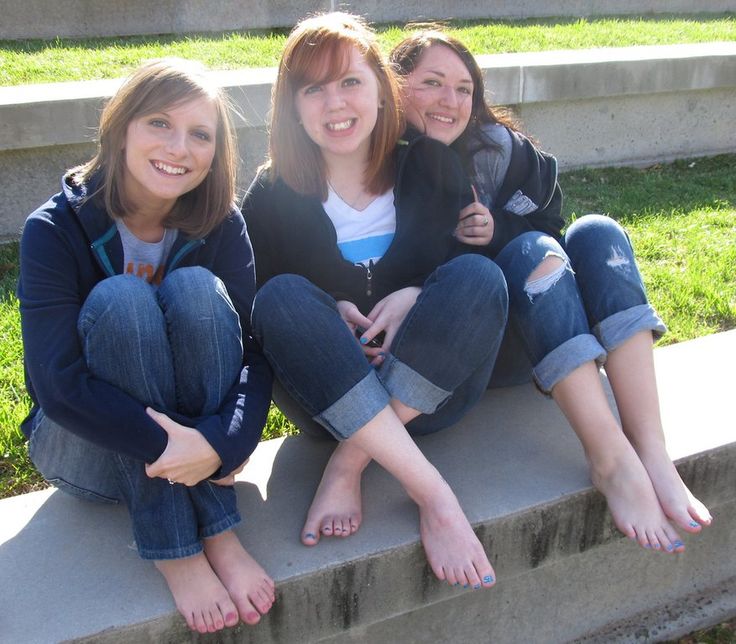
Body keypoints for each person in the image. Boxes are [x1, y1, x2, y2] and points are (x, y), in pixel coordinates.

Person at [390, 30, 712, 553]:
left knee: (597, 231)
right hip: (468, 353)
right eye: (432, 83)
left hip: (539, 334)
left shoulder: (503, 152)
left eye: (464, 88)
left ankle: (651, 452)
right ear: (396, 86)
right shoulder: (383, 161)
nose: (451, 101)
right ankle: (611, 460)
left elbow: (551, 228)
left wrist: (497, 229)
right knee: (528, 249)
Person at [242, 12, 508, 590]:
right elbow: (257, 313)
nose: (334, 103)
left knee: (477, 278)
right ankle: (435, 495)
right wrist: (329, 307)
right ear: (292, 105)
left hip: (433, 397)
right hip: (327, 401)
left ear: (382, 92)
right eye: (313, 88)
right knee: (282, 297)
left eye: (350, 82)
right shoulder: (271, 195)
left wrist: (415, 293)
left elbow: (465, 285)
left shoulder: (429, 165)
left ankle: (351, 462)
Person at [18, 58, 276, 633]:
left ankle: (214, 527)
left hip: (201, 451)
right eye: (159, 123)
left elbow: (252, 356)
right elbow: (58, 387)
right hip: (84, 450)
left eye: (200, 134)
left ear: (217, 151)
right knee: (123, 301)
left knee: (196, 290)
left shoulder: (221, 224)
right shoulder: (54, 229)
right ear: (122, 127)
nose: (178, 147)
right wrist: (185, 449)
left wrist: (221, 444)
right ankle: (181, 547)